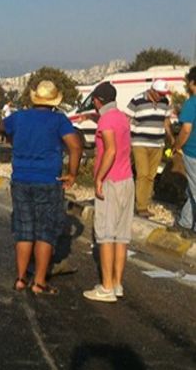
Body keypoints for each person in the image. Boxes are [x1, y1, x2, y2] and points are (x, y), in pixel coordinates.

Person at [4, 80, 82, 295]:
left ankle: (21, 279)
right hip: (48, 180)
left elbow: (4, 127)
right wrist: (72, 173)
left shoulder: (19, 117)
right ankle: (39, 282)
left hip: (21, 179)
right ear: (54, 102)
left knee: (24, 231)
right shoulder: (58, 120)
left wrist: (16, 142)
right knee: (45, 232)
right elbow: (75, 145)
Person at [83, 82, 133, 303]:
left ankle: (106, 288)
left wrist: (98, 179)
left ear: (97, 100)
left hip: (111, 180)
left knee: (105, 235)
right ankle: (117, 283)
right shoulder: (121, 117)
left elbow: (110, 150)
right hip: (127, 179)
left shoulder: (106, 120)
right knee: (122, 236)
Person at [128, 79, 172, 217]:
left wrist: (171, 137)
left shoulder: (165, 102)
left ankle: (145, 202)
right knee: (143, 173)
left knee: (151, 176)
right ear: (152, 91)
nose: (162, 96)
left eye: (163, 93)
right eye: (160, 93)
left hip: (157, 143)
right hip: (139, 142)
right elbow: (127, 119)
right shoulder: (137, 100)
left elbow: (166, 121)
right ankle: (141, 207)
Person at [174, 67, 196, 234]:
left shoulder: (191, 103)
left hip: (193, 152)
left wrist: (177, 145)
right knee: (191, 188)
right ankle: (186, 221)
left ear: (191, 83)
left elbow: (186, 130)